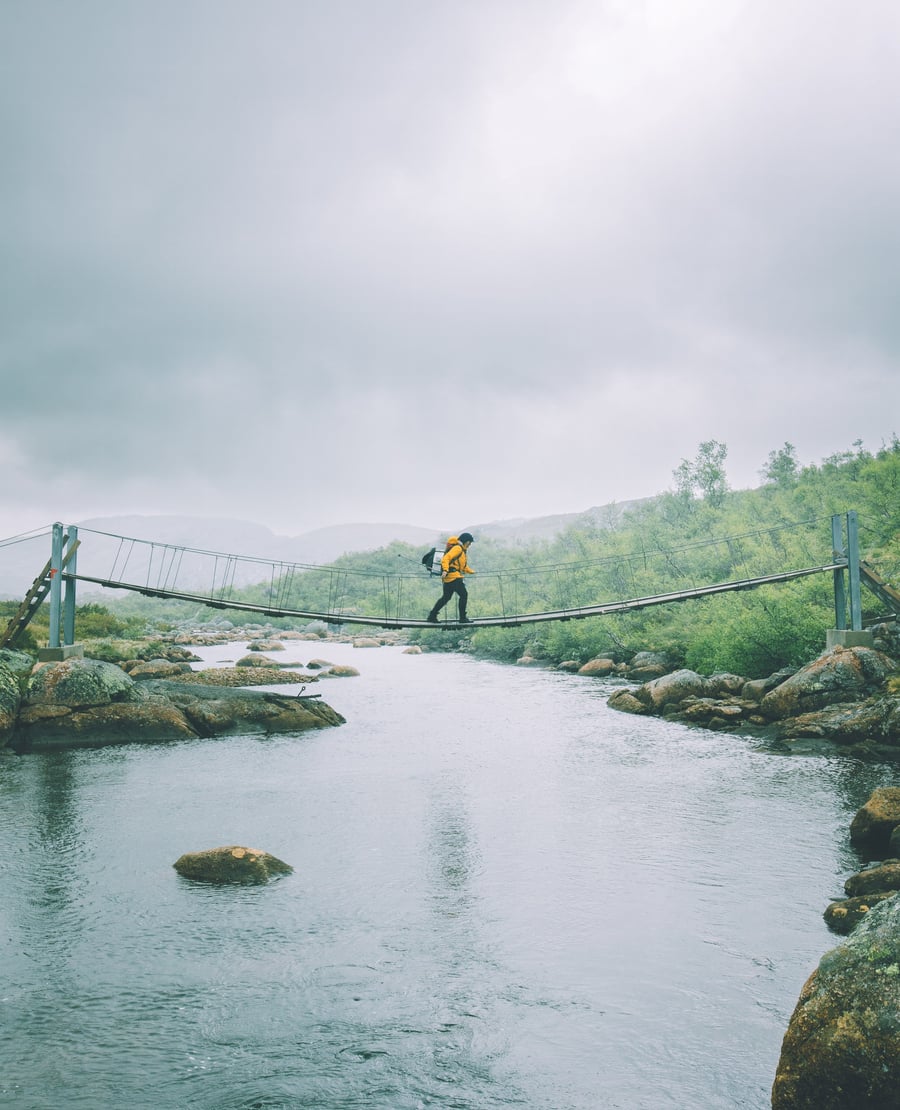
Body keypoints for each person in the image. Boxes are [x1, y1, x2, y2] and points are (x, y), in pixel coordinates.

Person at [427, 533, 475, 623]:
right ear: (466, 541)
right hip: (454, 577)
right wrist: (445, 570)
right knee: (464, 595)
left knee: (446, 597)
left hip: (449, 577)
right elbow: (446, 558)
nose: (470, 545)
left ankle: (432, 616)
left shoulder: (462, 550)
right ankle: (462, 618)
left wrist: (471, 571)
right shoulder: (458, 548)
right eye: (469, 543)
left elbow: (462, 566)